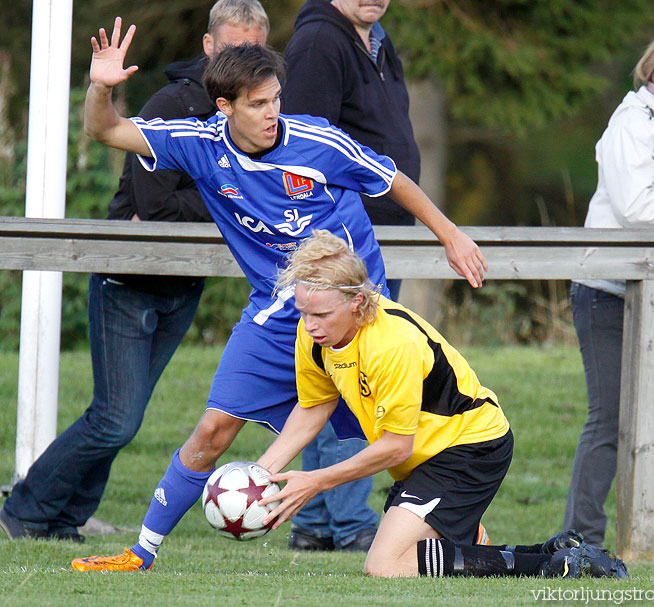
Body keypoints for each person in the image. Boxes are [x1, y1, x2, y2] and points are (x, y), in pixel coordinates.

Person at [71, 18, 487, 572]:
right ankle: (139, 552)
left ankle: (466, 529)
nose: (272, 113)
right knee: (214, 429)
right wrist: (101, 88)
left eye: (276, 100)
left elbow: (394, 181)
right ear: (224, 107)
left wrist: (452, 236)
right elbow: (106, 131)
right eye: (258, 104)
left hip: (351, 313)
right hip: (272, 313)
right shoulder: (198, 146)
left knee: (395, 444)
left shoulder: (319, 142)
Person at [0, 0, 269, 545]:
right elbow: (156, 206)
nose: (246, 59)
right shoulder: (172, 104)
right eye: (236, 47)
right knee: (115, 419)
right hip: (130, 279)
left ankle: (61, 520)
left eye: (256, 49)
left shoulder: (258, 116)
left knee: (122, 418)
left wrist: (220, 196)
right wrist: (226, 198)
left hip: (184, 285)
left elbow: (253, 197)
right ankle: (24, 509)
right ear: (209, 48)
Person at [253, 230, 628, 579]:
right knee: (413, 555)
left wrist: (314, 482)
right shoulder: (315, 336)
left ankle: (550, 566)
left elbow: (397, 445)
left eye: (321, 314)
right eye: (303, 311)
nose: (310, 324)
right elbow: (313, 407)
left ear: (358, 302)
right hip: (426, 458)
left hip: (470, 447)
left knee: (385, 564)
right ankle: (545, 552)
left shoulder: (392, 344)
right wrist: (259, 477)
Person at [278, 0, 421, 552]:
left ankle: (315, 523)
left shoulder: (377, 40)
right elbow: (302, 146)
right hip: (345, 238)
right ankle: (347, 520)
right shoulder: (320, 42)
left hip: (379, 234)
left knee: (345, 375)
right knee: (354, 380)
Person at [563, 31, 654, 563]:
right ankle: (581, 541)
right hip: (609, 292)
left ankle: (640, 545)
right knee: (611, 420)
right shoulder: (630, 124)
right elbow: (639, 209)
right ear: (650, 76)